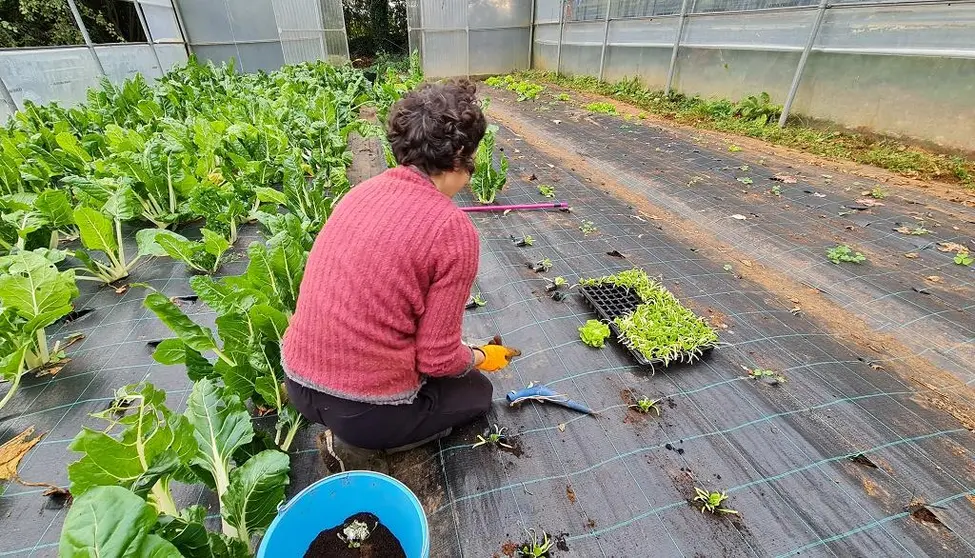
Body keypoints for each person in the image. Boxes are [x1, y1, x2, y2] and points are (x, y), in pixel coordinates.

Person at [281, 80, 520, 452]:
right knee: (476, 392)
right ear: (460, 153)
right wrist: (478, 356)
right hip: (363, 414)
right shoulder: (452, 230)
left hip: (298, 382)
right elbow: (437, 359)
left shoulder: (361, 192)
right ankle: (381, 443)